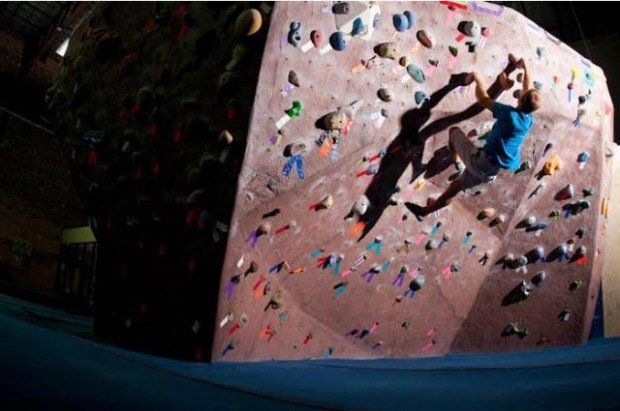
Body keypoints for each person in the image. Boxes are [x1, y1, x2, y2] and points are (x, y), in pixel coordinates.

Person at [405, 54, 541, 220]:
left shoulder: (509, 114)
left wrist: (477, 79)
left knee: (454, 132)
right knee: (455, 188)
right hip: (491, 172)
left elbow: (483, 99)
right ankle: (425, 212)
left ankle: (457, 162)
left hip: (480, 160)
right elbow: (528, 89)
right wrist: (525, 67)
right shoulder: (528, 120)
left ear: (520, 100)